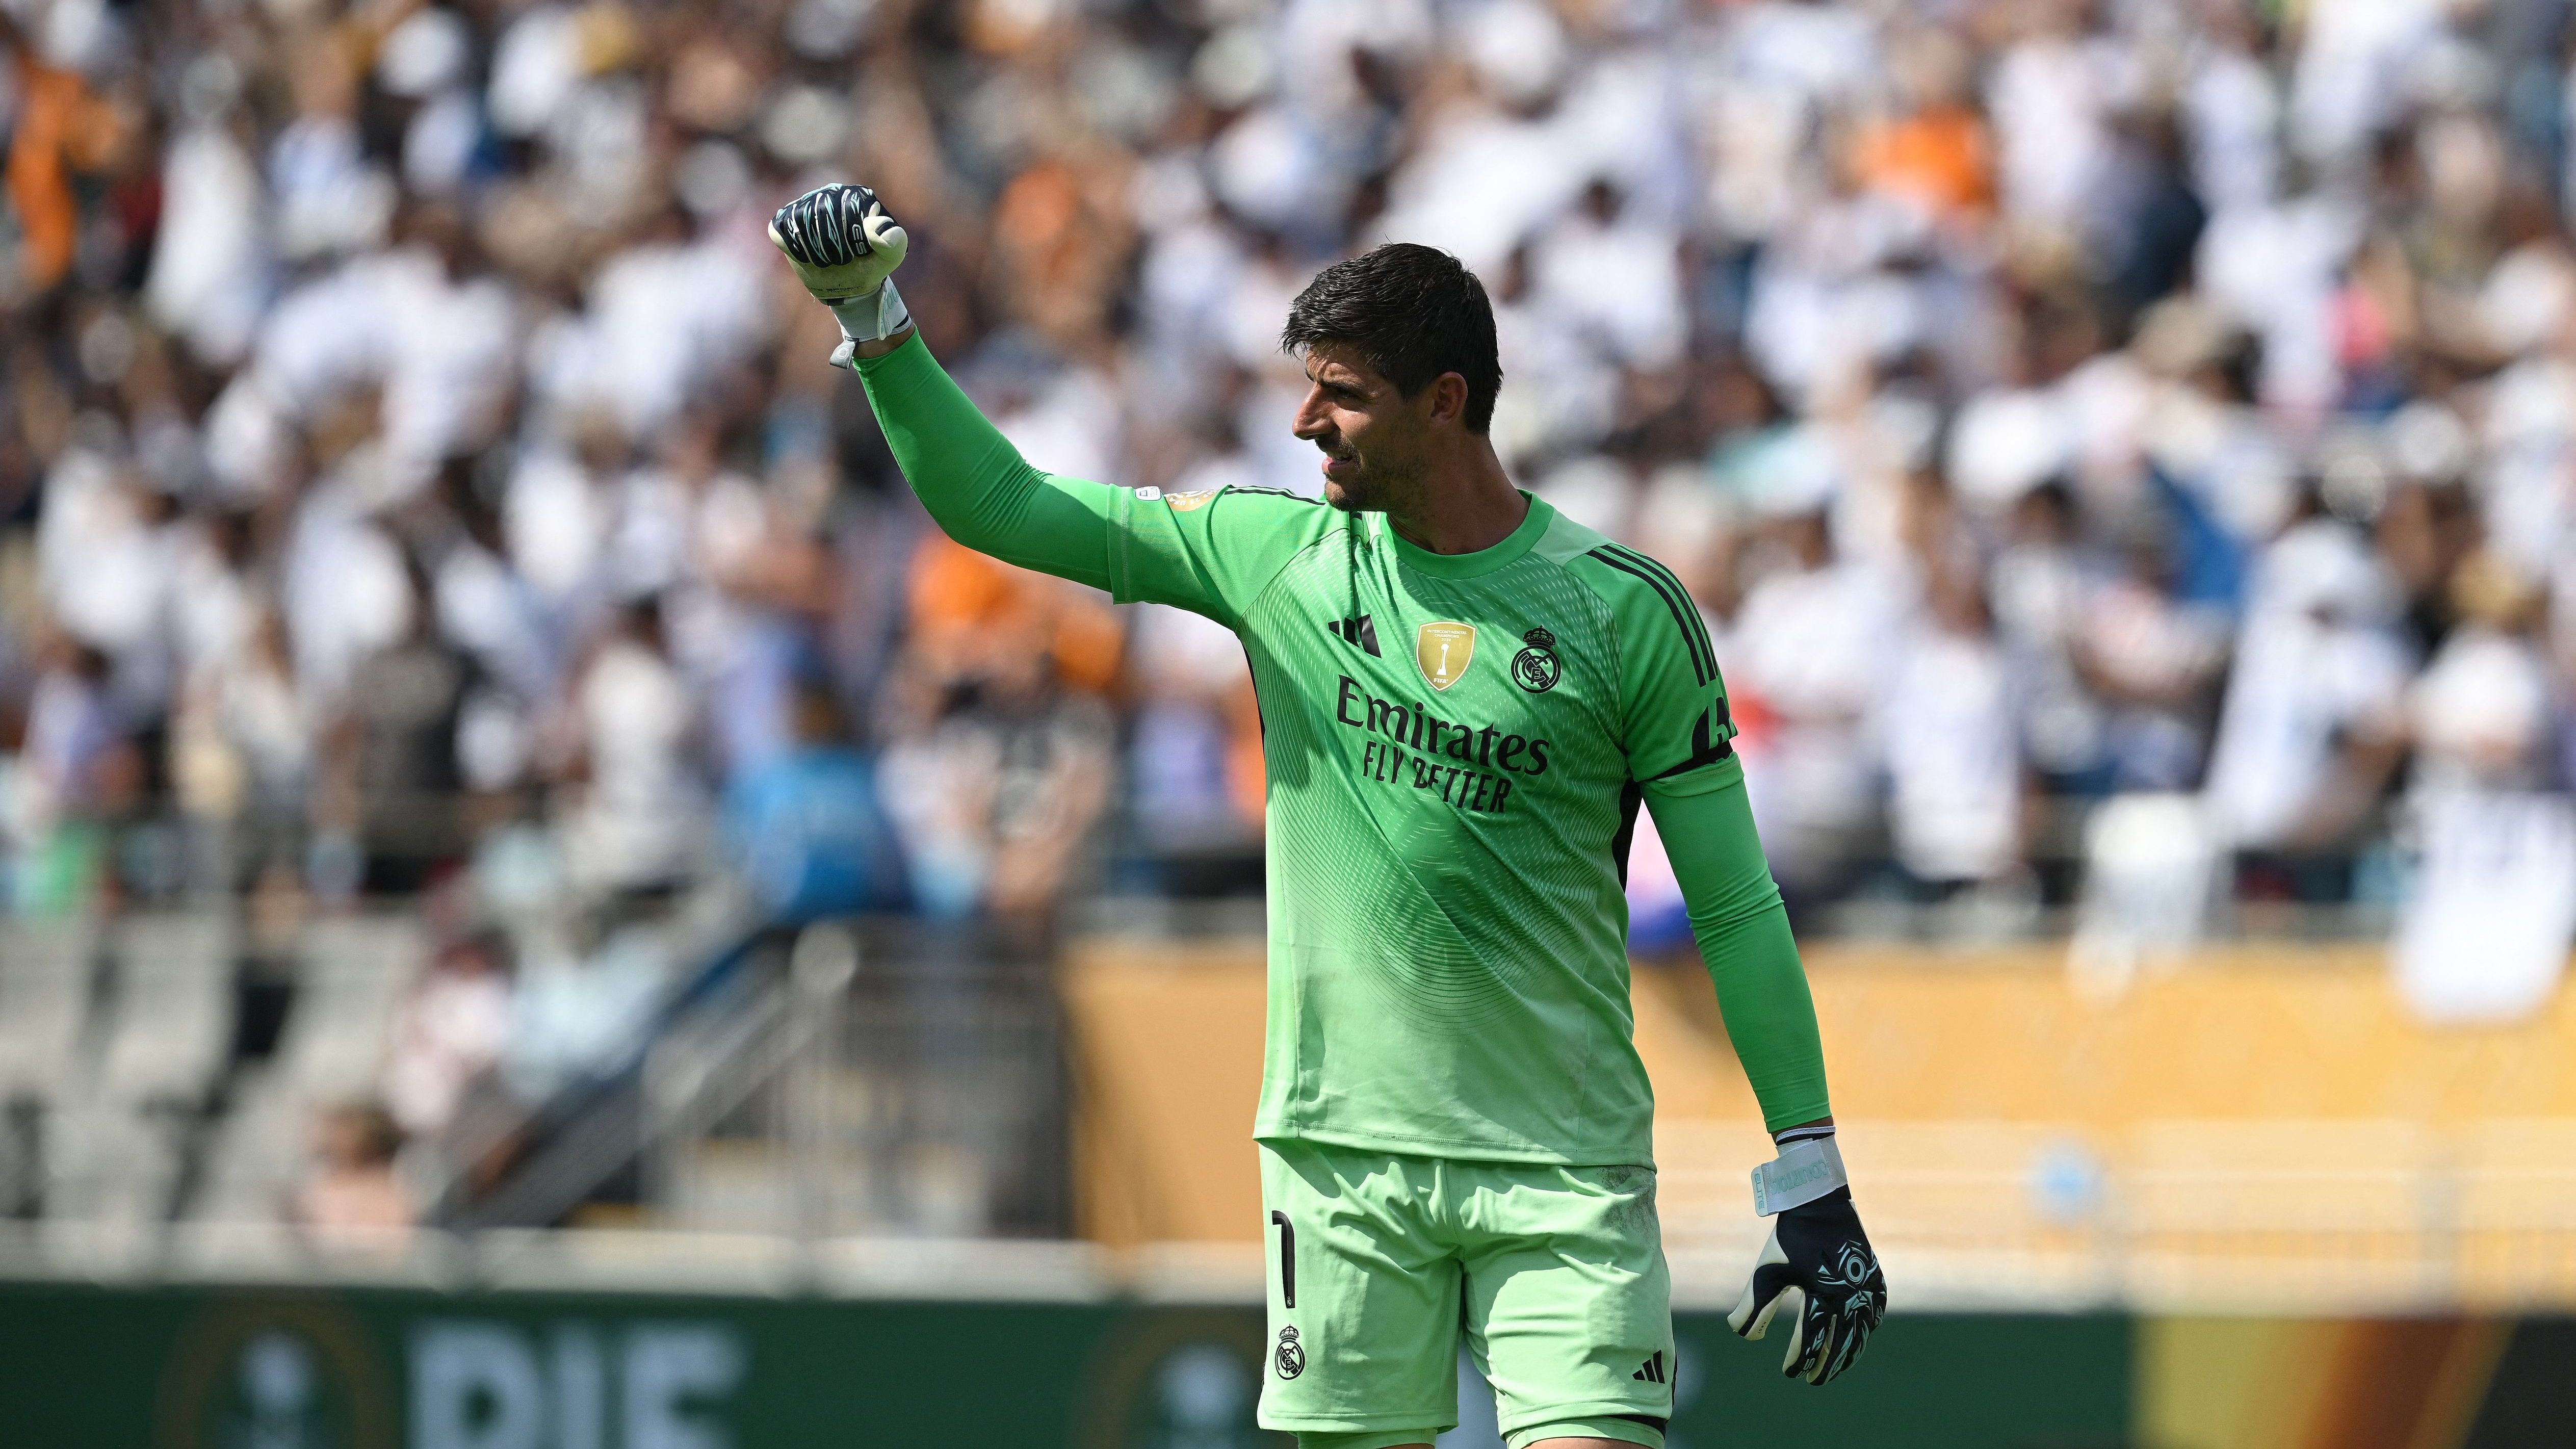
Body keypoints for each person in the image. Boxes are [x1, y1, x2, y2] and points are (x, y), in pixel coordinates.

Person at [773, 185, 1883, 1449]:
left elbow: (1735, 903)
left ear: (1445, 400)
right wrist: (874, 317)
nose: (1305, 420)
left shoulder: (1625, 613)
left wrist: (1809, 1171)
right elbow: (1006, 506)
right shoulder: (1277, 557)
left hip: (1563, 1170)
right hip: (1340, 1160)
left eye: (1341, 393)